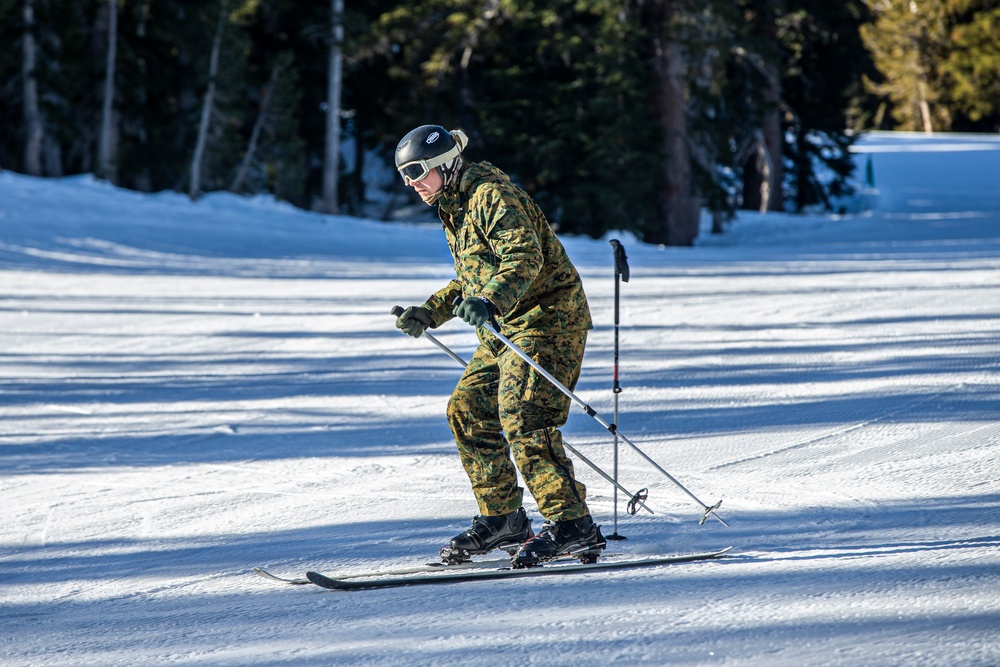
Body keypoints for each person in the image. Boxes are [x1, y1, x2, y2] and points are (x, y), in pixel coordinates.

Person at [393, 124, 605, 568]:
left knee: (524, 414)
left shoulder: (491, 195)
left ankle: (572, 526)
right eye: (404, 175)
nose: (412, 183)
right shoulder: (454, 206)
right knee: (467, 409)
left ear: (443, 163)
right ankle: (504, 519)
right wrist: (431, 311)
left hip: (548, 320)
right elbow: (472, 277)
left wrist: (490, 300)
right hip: (504, 329)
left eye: (416, 171)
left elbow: (525, 258)